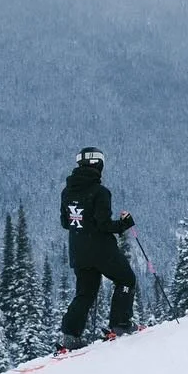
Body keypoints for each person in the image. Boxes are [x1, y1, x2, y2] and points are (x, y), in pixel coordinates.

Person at [59, 147, 136, 350]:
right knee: (126, 279)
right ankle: (120, 325)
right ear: (97, 164)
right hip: (101, 249)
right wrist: (124, 224)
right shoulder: (100, 192)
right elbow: (103, 225)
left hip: (78, 250)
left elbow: (65, 223)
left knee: (85, 293)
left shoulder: (67, 192)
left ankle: (70, 335)